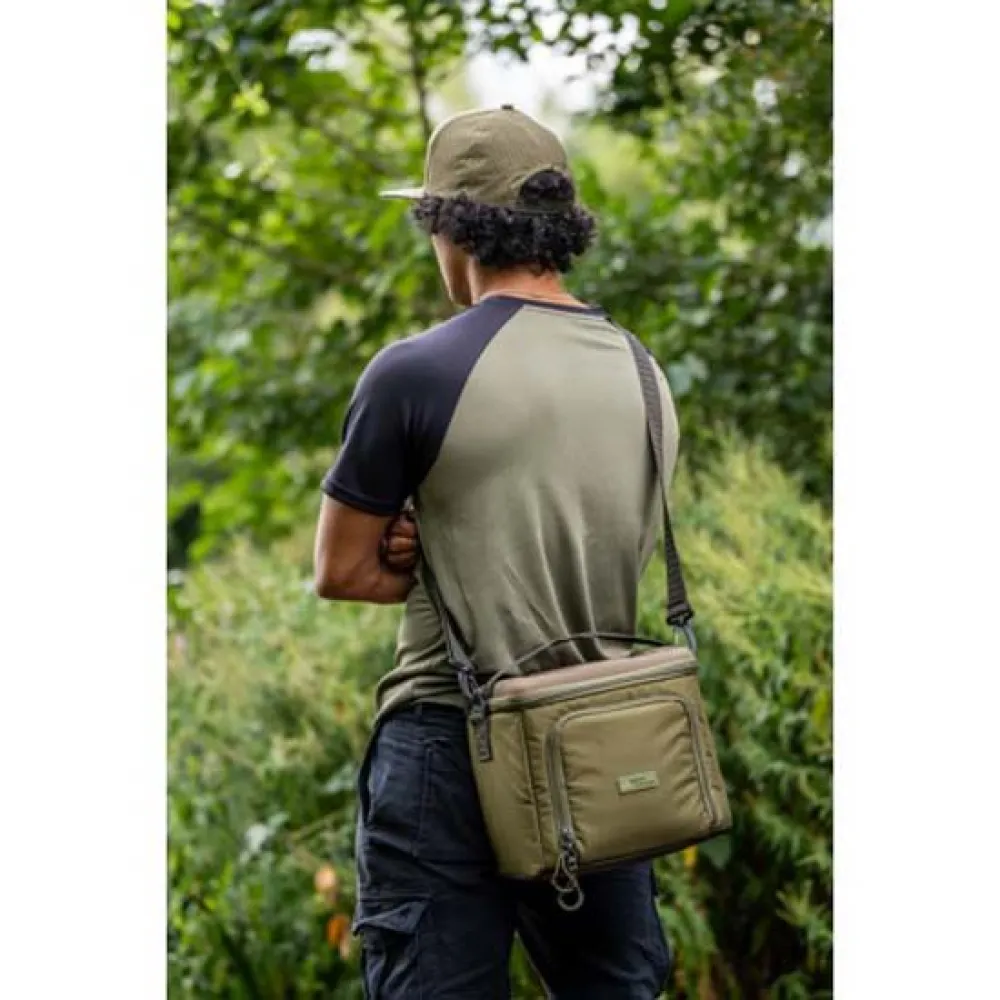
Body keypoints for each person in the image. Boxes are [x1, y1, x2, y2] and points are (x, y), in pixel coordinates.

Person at [314, 106, 679, 999]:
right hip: (600, 738)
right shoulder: (642, 372)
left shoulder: (415, 372)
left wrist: (419, 544)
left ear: (451, 226)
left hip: (449, 738)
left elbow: (342, 571)